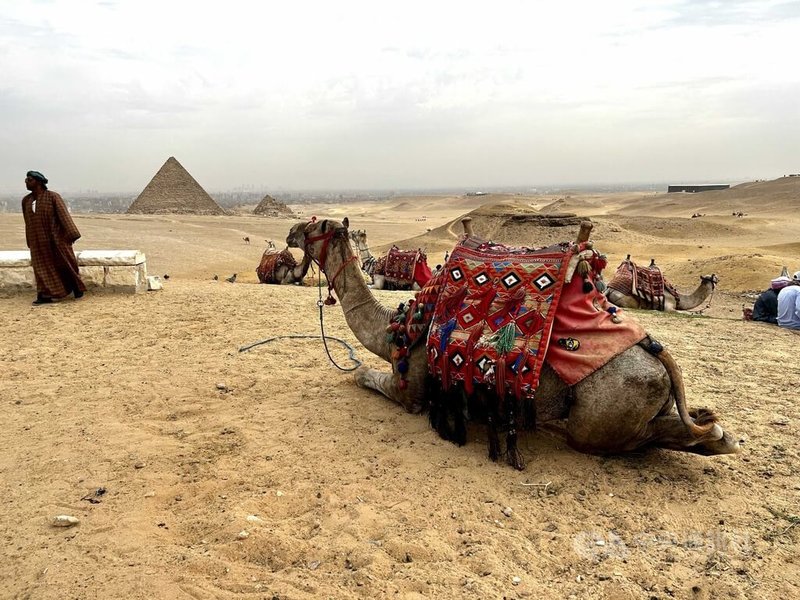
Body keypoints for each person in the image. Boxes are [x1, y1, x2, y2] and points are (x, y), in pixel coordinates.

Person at [22, 170, 86, 305]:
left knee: (65, 265)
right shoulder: (26, 201)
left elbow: (64, 216)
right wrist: (29, 240)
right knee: (40, 268)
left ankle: (76, 288)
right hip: (37, 242)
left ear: (39, 182)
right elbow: (27, 222)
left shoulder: (53, 197)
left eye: (29, 180)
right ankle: (44, 295)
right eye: (26, 180)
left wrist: (71, 235)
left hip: (56, 240)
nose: (26, 182)